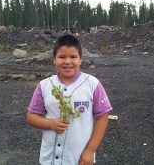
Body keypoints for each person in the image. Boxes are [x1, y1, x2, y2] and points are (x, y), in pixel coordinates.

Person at [26, 34, 113, 165]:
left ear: (80, 60)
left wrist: (90, 151)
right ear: (54, 60)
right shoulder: (44, 85)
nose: (67, 61)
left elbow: (102, 118)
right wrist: (50, 124)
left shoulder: (92, 84)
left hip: (79, 159)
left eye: (73, 57)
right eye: (62, 57)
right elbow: (31, 116)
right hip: (49, 159)